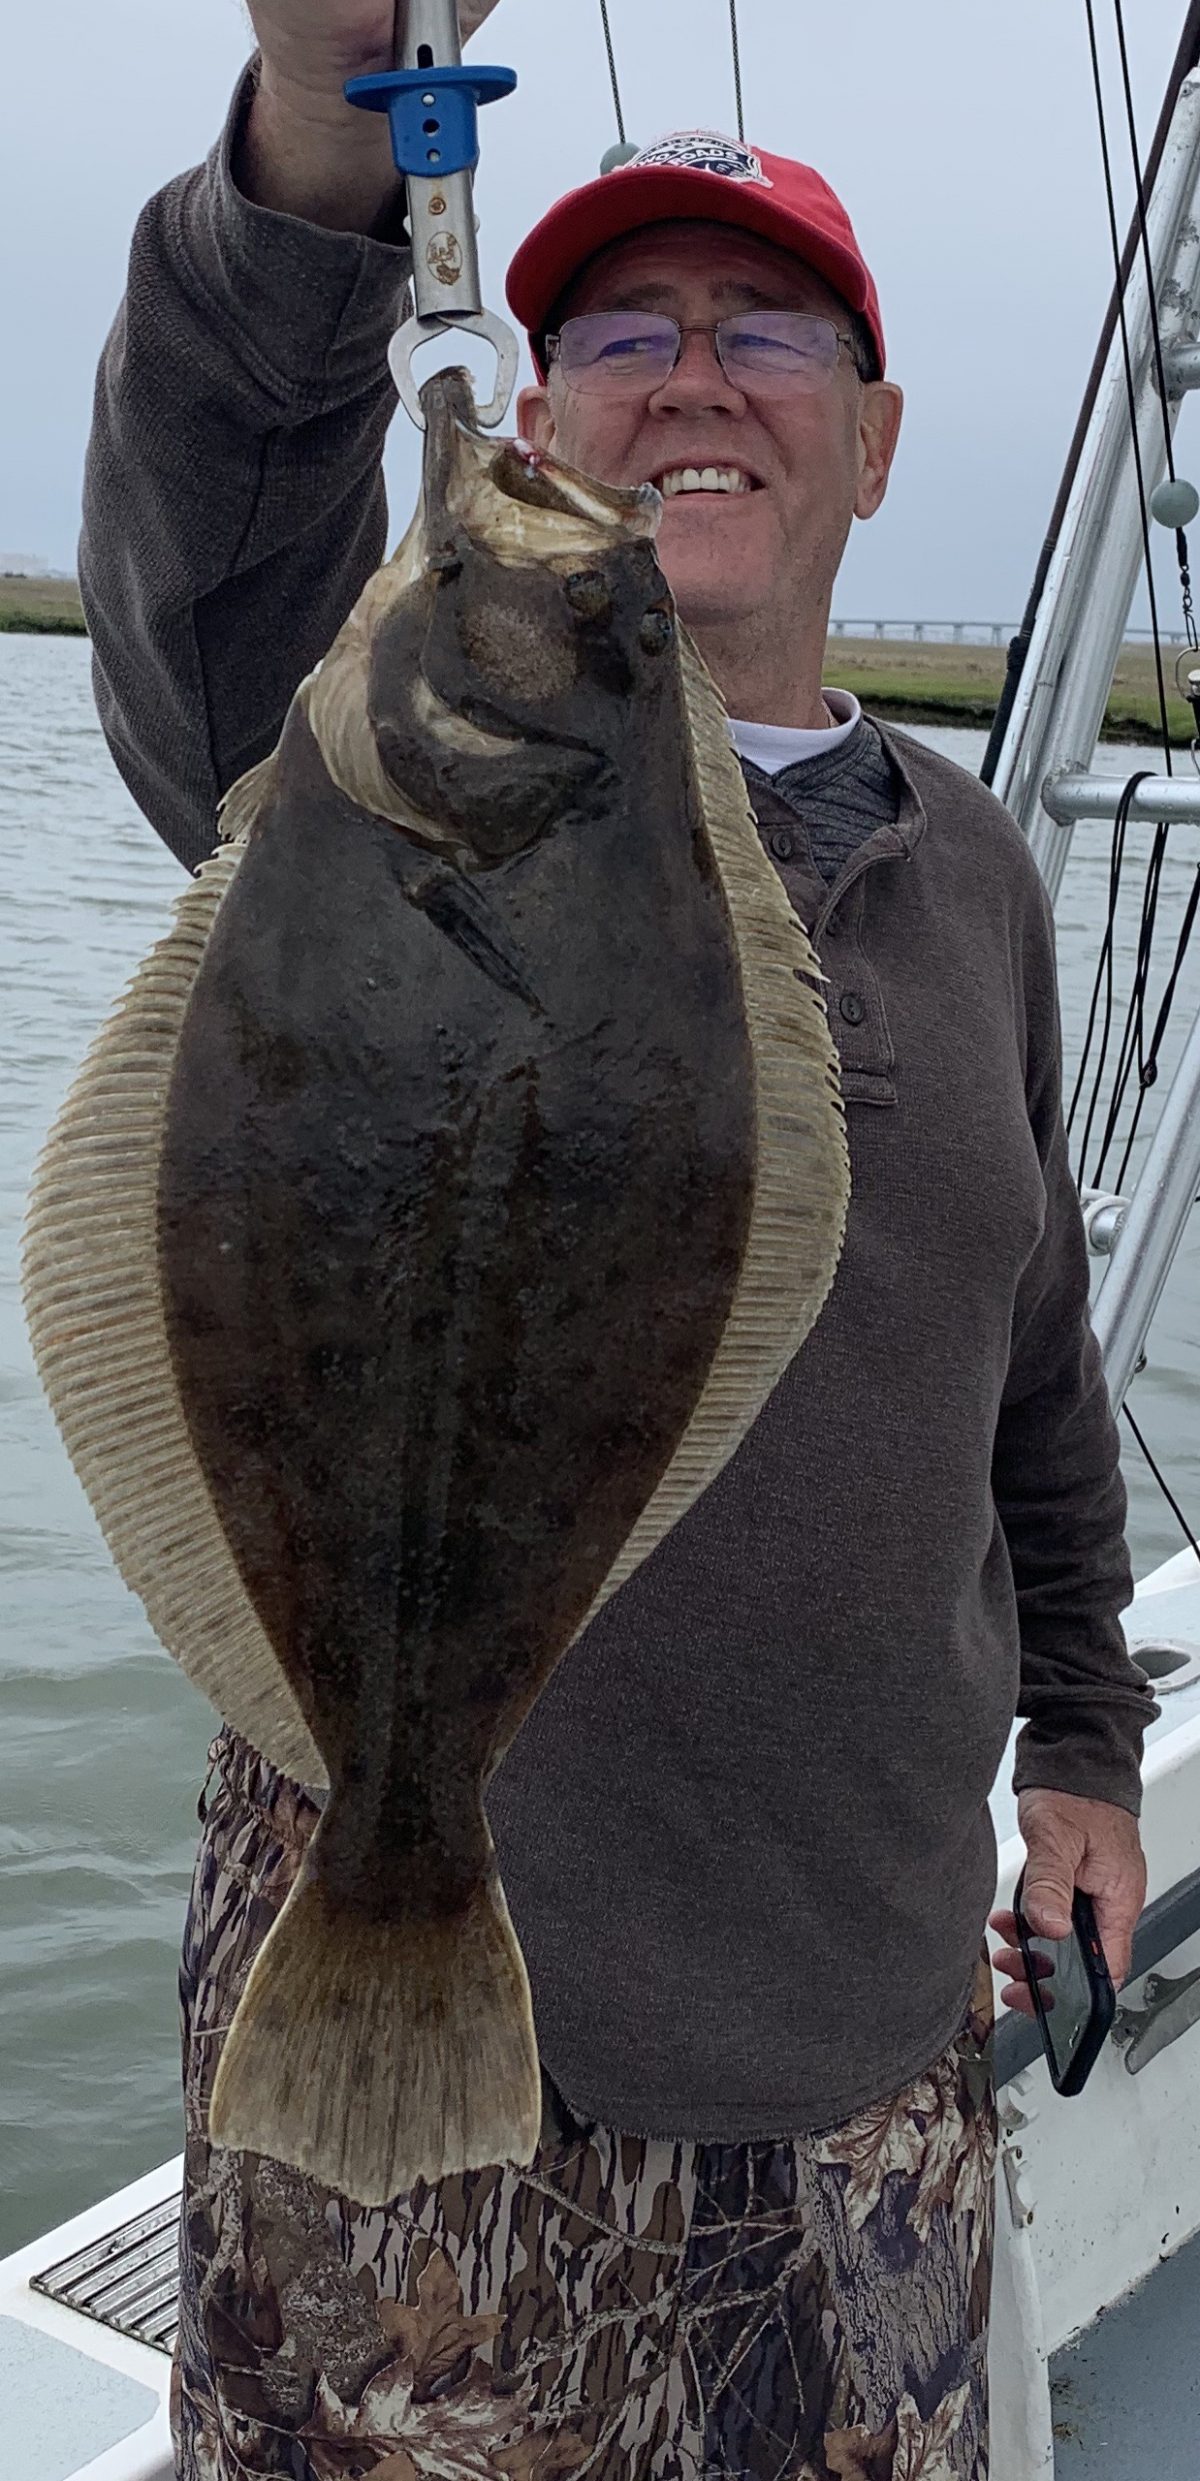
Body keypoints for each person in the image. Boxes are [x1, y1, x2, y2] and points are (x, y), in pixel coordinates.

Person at [79, 5, 1157, 2475]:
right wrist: (328, 134)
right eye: (618, 333)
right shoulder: (342, 738)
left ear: (879, 437)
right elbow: (221, 498)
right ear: (527, 414)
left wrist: (1087, 1748)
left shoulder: (977, 877)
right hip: (428, 2130)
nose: (694, 380)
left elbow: (1038, 1381)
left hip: (874, 2097)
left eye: (766, 329)